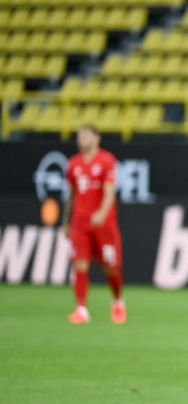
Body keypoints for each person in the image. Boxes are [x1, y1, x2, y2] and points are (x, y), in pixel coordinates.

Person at [62, 124, 126, 324]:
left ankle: (117, 302)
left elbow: (109, 192)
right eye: (79, 136)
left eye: (86, 135)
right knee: (80, 264)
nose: (82, 139)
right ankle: (81, 309)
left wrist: (102, 213)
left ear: (97, 138)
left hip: (103, 224)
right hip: (80, 222)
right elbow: (72, 195)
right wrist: (66, 221)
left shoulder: (106, 161)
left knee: (110, 267)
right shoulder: (73, 164)